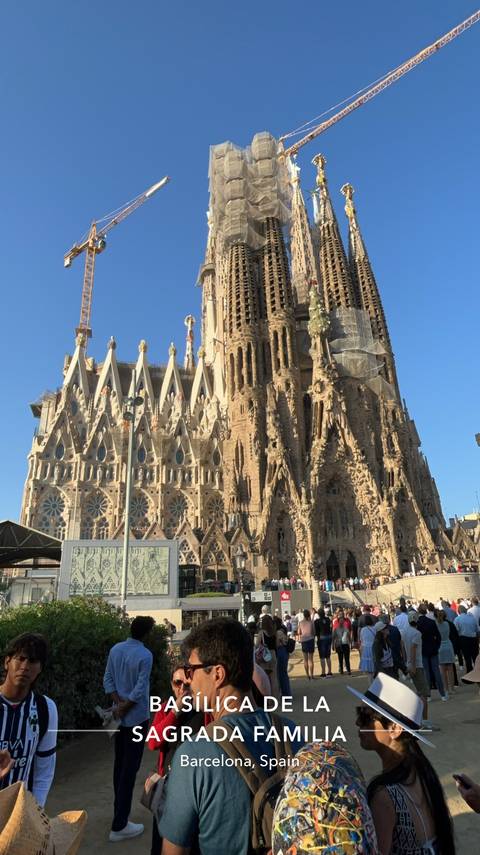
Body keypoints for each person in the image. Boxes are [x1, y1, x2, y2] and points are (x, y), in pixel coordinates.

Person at [158, 618, 304, 855]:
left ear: (218, 674)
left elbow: (173, 851)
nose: (188, 680)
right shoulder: (293, 733)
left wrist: (162, 806)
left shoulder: (194, 754)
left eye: (191, 670)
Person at [348, 673, 456, 854]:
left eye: (366, 717)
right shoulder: (421, 772)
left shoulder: (384, 796)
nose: (357, 722)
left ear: (394, 729)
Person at [148, 660, 207, 855]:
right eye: (176, 683)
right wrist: (175, 712)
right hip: (168, 787)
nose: (182, 688)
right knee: (162, 840)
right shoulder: (165, 708)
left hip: (195, 787)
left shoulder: (205, 710)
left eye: (186, 684)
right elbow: (153, 742)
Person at [103, 615, 155, 842]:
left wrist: (118, 704)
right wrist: (126, 707)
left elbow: (108, 679)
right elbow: (141, 688)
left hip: (119, 718)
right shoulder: (145, 655)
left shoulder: (116, 649)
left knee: (119, 767)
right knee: (129, 770)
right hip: (136, 718)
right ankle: (120, 824)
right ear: (146, 634)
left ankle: (119, 815)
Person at [0, 632, 58, 806]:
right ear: (7, 662)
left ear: (40, 668)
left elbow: (44, 769)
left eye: (32, 661)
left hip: (19, 812)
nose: (25, 666)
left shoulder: (45, 709)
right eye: (21, 658)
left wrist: (35, 811)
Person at [402, 612, 431, 727]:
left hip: (410, 663)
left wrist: (407, 662)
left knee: (419, 692)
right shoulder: (417, 633)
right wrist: (413, 665)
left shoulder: (405, 631)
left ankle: (420, 719)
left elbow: (403, 647)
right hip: (416, 665)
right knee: (424, 693)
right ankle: (424, 720)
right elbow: (414, 649)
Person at [417, 606, 447, 701]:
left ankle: (428, 695)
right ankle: (442, 694)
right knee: (436, 671)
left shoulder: (418, 624)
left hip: (423, 649)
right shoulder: (431, 622)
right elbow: (438, 636)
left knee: (426, 673)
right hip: (432, 649)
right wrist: (436, 646)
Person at [454, 606, 479, 673]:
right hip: (473, 639)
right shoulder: (472, 618)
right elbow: (477, 630)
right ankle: (477, 672)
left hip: (464, 639)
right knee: (475, 657)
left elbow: (456, 631)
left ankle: (469, 672)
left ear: (459, 611)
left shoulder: (457, 619)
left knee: (467, 657)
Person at [436, 610, 455, 695]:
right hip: (448, 645)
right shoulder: (447, 624)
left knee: (442, 670)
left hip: (440, 646)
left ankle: (446, 689)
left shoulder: (436, 625)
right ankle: (452, 688)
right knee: (450, 669)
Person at [273, 615, 291, 697]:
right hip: (285, 652)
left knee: (281, 674)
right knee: (283, 673)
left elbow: (277, 644)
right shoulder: (283, 630)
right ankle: (286, 693)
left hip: (280, 652)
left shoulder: (278, 632)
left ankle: (285, 693)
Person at [297, 609, 316, 679]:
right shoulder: (311, 622)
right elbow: (314, 633)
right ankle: (312, 675)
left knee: (305, 659)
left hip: (304, 640)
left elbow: (298, 632)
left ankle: (307, 675)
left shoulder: (300, 622)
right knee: (311, 659)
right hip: (310, 640)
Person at [314, 608, 333, 677]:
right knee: (328, 656)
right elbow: (331, 628)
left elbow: (316, 632)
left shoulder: (317, 621)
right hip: (328, 637)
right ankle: (330, 671)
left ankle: (323, 672)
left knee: (322, 657)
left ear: (318, 614)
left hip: (321, 638)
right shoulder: (328, 620)